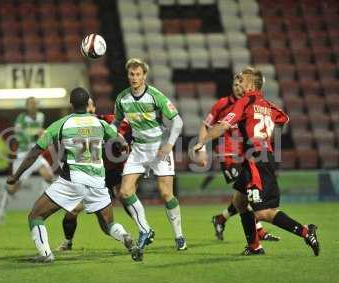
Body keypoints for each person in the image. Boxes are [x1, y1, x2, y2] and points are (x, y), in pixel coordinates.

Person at [193, 67, 320, 256]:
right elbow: (284, 118)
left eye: (242, 80)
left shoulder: (244, 102)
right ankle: (254, 246)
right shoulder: (267, 104)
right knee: (239, 200)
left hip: (256, 161)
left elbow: (223, 125)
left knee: (263, 212)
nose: (239, 84)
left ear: (251, 84)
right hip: (258, 157)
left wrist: (201, 142)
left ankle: (305, 231)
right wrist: (269, 139)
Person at [6, 87, 141, 262]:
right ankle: (126, 238)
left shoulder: (61, 124)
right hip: (98, 181)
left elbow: (35, 151)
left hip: (72, 181)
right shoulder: (100, 124)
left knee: (35, 216)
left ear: (71, 104)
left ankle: (45, 255)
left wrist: (16, 175)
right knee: (109, 225)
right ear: (87, 104)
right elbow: (121, 143)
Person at [113, 58, 186, 258]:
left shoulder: (155, 96)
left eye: (138, 74)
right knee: (125, 192)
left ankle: (179, 236)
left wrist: (169, 144)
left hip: (159, 148)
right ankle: (145, 229)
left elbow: (177, 121)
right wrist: (113, 135)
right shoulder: (122, 98)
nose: (135, 78)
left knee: (165, 194)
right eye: (131, 74)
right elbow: (117, 122)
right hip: (138, 149)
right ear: (128, 75)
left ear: (144, 75)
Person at [203, 74, 280, 242]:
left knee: (243, 196)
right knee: (248, 191)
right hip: (228, 154)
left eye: (241, 84)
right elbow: (206, 124)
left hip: (246, 154)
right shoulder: (222, 104)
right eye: (235, 84)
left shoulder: (250, 103)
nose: (238, 87)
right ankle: (258, 231)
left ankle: (221, 218)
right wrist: (201, 146)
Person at [57, 105, 138, 251]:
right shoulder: (71, 126)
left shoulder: (100, 123)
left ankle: (139, 228)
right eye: (84, 105)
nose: (87, 108)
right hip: (88, 176)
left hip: (99, 177)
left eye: (89, 105)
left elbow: (116, 134)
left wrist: (122, 142)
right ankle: (68, 241)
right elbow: (63, 154)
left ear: (94, 108)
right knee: (73, 211)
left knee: (107, 219)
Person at [0, 97, 54, 224]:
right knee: (14, 188)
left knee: (49, 176)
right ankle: (1, 209)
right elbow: (18, 135)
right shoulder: (21, 118)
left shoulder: (40, 116)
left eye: (34, 103)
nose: (33, 106)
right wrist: (35, 133)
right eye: (30, 104)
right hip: (23, 155)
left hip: (36, 154)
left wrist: (43, 136)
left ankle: (40, 206)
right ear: (26, 106)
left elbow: (40, 133)